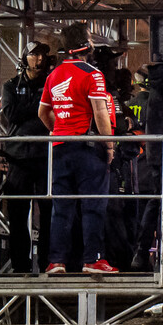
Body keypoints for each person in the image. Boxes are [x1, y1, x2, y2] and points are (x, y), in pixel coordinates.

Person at [39, 25, 116, 275]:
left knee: (61, 207)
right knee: (93, 205)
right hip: (87, 147)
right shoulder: (92, 74)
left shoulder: (54, 74)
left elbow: (43, 113)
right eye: (91, 38)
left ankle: (56, 262)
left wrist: (58, 130)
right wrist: (110, 145)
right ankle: (93, 260)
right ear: (86, 43)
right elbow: (101, 112)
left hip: (60, 149)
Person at [0, 39, 55, 274]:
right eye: (34, 55)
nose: (39, 59)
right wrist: (40, 106)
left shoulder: (51, 84)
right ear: (24, 58)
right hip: (19, 157)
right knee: (18, 216)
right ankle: (21, 266)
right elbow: (12, 114)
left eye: (42, 54)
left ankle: (46, 263)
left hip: (45, 157)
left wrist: (31, 107)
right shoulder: (11, 85)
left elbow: (52, 112)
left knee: (49, 213)